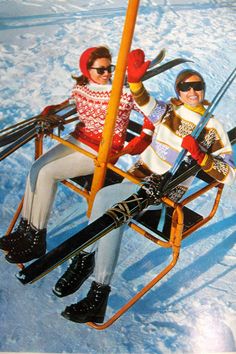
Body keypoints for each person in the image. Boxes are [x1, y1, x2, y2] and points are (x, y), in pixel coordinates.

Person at [54, 49, 235, 324]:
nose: (192, 91)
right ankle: (89, 268)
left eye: (197, 86)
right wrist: (135, 82)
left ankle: (94, 280)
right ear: (178, 90)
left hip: (162, 192)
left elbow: (228, 173)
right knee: (109, 204)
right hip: (136, 179)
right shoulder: (169, 112)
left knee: (107, 202)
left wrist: (200, 155)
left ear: (203, 89)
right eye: (185, 86)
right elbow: (145, 102)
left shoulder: (212, 127)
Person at [0, 46, 154, 263]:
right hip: (79, 139)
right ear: (86, 70)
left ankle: (36, 239)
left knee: (48, 173)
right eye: (100, 70)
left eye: (109, 68)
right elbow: (71, 104)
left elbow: (152, 112)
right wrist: (54, 110)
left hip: (101, 150)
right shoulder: (81, 89)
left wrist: (144, 136)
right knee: (36, 167)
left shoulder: (123, 93)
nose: (107, 74)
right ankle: (25, 229)